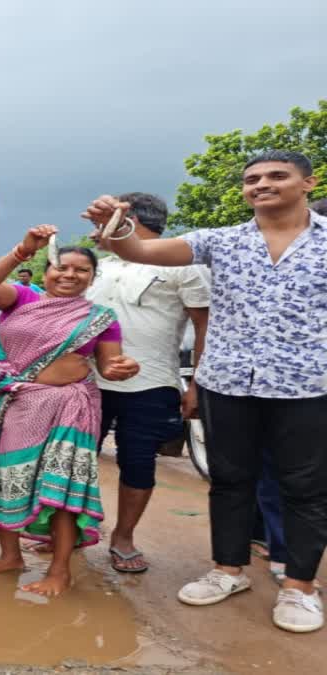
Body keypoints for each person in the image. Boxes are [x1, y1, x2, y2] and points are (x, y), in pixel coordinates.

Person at [85, 149, 327, 632]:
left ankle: (300, 587)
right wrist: (116, 225)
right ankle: (227, 569)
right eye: (252, 178)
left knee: (304, 487)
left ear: (308, 184)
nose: (261, 184)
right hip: (229, 381)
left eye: (277, 176)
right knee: (230, 481)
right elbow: (141, 251)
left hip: (308, 385)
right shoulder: (220, 241)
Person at [0, 227, 138, 597]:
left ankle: (60, 571)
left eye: (81, 270)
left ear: (93, 278)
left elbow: (109, 366)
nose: (70, 275)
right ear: (46, 272)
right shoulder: (23, 299)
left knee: (61, 490)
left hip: (70, 410)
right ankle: (10, 556)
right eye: (62, 267)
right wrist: (22, 249)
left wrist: (122, 368)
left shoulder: (101, 318)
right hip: (17, 405)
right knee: (6, 477)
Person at [83, 192, 210, 573]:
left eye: (104, 219)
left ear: (128, 219)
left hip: (151, 384)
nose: (95, 227)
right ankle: (70, 529)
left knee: (137, 464)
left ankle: (123, 537)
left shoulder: (182, 264)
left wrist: (196, 386)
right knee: (75, 458)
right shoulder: (98, 266)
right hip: (86, 381)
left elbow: (205, 326)